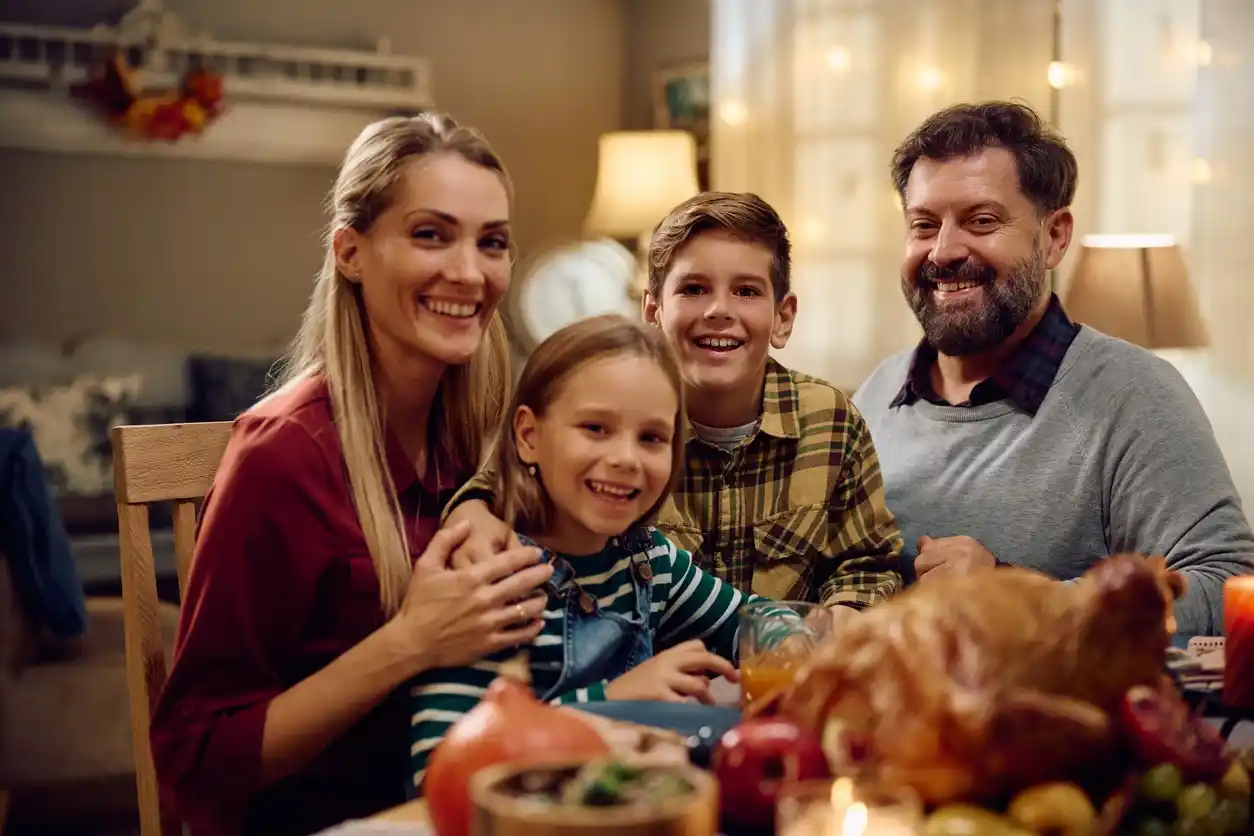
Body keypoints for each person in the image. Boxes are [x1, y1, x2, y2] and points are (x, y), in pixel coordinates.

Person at [148, 113, 555, 836]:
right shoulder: (282, 456)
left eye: (491, 242)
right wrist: (412, 641)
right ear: (350, 253)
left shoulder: (491, 434)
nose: (468, 272)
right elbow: (196, 764)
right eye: (431, 234)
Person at [853, 100, 1254, 635]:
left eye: (982, 220)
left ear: (1055, 238)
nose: (943, 251)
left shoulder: (1133, 396)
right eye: (923, 225)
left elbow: (1226, 588)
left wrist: (1014, 597)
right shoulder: (874, 395)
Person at [445, 193, 903, 622]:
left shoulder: (831, 420)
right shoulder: (608, 427)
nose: (719, 310)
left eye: (746, 291)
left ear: (782, 317)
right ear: (651, 312)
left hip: (778, 678)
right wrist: (474, 514)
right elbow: (496, 488)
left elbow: (865, 563)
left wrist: (844, 615)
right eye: (693, 289)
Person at [410, 314, 795, 790]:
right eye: (595, 428)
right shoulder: (492, 580)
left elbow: (760, 622)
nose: (626, 459)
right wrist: (608, 700)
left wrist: (792, 649)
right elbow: (441, 768)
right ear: (529, 436)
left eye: (652, 438)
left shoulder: (649, 561)